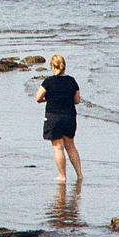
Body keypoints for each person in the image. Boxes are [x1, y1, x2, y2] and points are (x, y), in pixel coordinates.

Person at [35, 53, 83, 182]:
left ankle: (62, 176)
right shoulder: (72, 81)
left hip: (53, 116)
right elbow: (77, 100)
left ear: (52, 66)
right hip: (69, 116)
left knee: (58, 147)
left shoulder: (48, 81)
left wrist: (47, 99)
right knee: (71, 146)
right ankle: (79, 174)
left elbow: (38, 98)